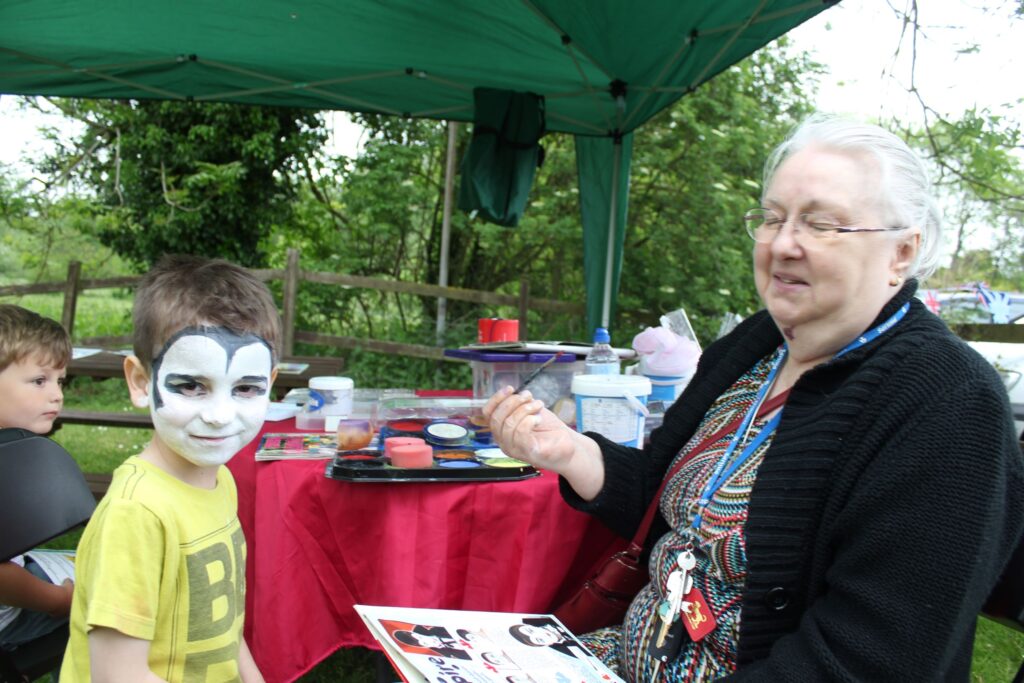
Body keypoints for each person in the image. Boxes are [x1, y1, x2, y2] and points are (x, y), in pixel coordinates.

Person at [484, 115, 1024, 682]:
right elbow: (664, 498)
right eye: (772, 218)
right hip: (619, 660)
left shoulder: (948, 406)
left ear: (901, 254)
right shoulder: (754, 346)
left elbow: (868, 663)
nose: (784, 244)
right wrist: (570, 451)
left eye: (820, 224)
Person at [60, 255, 277, 682]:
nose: (220, 414)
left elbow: (224, 625)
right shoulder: (135, 514)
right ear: (141, 382)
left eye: (246, 388)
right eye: (192, 386)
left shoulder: (221, 481)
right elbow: (116, 675)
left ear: (271, 383)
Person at [0, 305, 74, 665]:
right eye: (39, 381)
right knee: (107, 606)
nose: (57, 395)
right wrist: (59, 601)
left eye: (60, 381)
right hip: (6, 619)